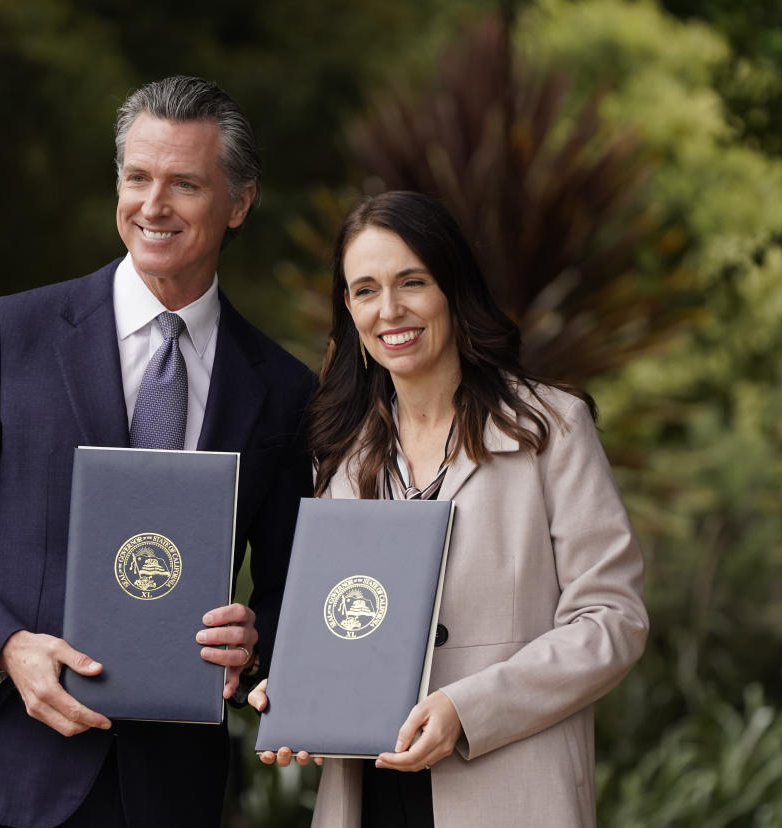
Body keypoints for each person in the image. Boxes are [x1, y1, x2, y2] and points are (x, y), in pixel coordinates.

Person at [0, 76, 316, 828]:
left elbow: (291, 590)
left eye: (185, 183)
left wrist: (258, 637)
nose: (153, 205)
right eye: (137, 177)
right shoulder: (12, 334)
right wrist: (7, 647)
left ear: (239, 203)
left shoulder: (280, 388)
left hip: (167, 790)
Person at [248, 191, 648, 827]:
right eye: (365, 290)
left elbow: (612, 620)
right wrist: (298, 686)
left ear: (452, 288)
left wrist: (470, 708)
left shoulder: (550, 429)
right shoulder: (342, 458)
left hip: (512, 791)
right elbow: (341, 621)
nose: (391, 310)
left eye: (413, 282)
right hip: (368, 800)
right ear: (347, 310)